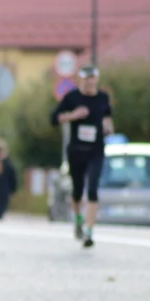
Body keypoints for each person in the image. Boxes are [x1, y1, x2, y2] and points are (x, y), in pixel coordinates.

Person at [50, 65, 114, 247]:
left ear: (96, 79)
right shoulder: (72, 98)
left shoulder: (103, 98)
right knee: (78, 191)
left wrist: (108, 127)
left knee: (93, 188)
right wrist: (73, 116)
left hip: (96, 150)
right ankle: (78, 219)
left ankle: (89, 231)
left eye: (92, 79)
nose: (89, 83)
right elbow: (53, 119)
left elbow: (107, 117)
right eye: (85, 79)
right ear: (80, 80)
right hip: (76, 151)